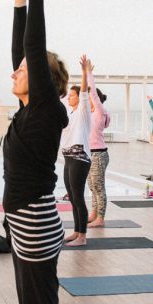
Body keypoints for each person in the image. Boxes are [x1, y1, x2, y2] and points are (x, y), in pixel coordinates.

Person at [2, 0, 73, 304]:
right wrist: (17, 1)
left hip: (35, 226)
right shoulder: (30, 110)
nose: (14, 72)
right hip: (24, 224)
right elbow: (21, 53)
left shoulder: (46, 110)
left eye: (24, 70)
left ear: (42, 81)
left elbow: (33, 49)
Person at [60, 59, 92, 247]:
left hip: (80, 158)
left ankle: (83, 236)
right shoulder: (70, 114)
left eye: (72, 95)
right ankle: (77, 231)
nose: (69, 98)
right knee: (72, 197)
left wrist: (84, 72)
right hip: (68, 158)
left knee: (78, 197)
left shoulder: (83, 111)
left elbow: (85, 92)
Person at [85, 63, 111, 228]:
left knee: (98, 186)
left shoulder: (100, 111)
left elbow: (93, 92)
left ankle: (100, 218)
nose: (88, 100)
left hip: (99, 154)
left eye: (90, 98)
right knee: (92, 186)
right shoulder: (91, 113)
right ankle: (94, 213)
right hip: (90, 153)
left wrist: (89, 73)